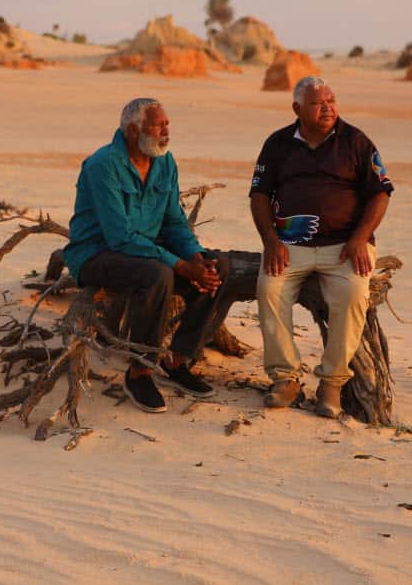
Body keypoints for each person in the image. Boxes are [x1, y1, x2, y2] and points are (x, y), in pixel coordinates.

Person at [64, 98, 230, 413]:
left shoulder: (164, 162)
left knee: (218, 265)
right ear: (133, 129)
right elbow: (121, 237)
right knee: (158, 275)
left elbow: (173, 221)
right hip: (97, 254)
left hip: (145, 249)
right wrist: (179, 265)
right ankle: (139, 372)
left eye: (167, 123)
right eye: (158, 125)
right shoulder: (104, 165)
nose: (166, 131)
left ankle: (177, 362)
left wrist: (194, 257)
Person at [249, 76, 393, 418]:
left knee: (354, 294)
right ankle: (285, 379)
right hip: (289, 244)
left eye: (331, 100)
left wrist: (360, 238)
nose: (327, 107)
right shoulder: (278, 143)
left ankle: (332, 383)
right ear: (298, 109)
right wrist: (270, 241)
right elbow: (258, 196)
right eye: (318, 103)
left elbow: (380, 193)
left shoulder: (356, 142)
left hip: (345, 245)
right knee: (269, 289)